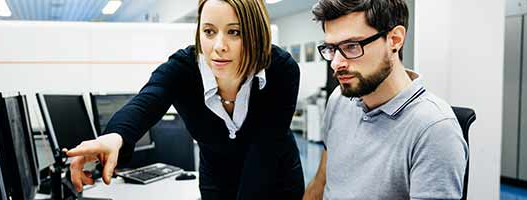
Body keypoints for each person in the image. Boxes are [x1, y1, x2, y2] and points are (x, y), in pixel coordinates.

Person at [63, 0, 304, 199]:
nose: (218, 46)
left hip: (275, 178)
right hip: (216, 178)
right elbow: (148, 100)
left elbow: (264, 152)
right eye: (209, 31)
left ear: (256, 33)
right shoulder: (183, 68)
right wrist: (114, 137)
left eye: (235, 32)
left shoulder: (281, 70)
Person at [302, 0, 469, 199]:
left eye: (352, 46)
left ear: (394, 40)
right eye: (331, 48)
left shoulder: (434, 128)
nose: (336, 63)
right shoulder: (339, 99)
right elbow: (321, 182)